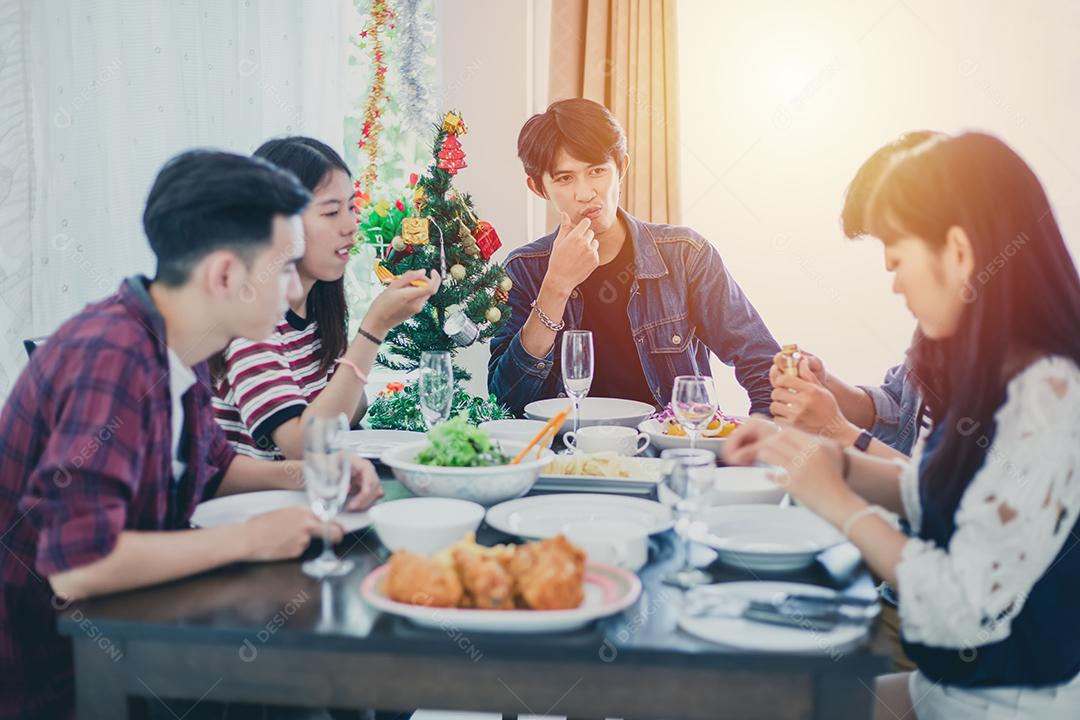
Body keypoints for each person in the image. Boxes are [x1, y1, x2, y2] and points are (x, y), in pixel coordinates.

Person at [0, 150, 383, 719]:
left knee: (348, 685)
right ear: (225, 274)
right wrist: (252, 539)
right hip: (69, 676)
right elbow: (81, 565)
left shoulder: (179, 343)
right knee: (322, 693)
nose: (294, 289)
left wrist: (311, 471)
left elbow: (214, 467)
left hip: (143, 632)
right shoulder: (113, 356)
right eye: (282, 268)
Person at [725, 133, 1080, 719]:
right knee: (764, 700)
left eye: (897, 259)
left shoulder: (1050, 395)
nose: (893, 284)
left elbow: (963, 605)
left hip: (1008, 703)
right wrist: (819, 457)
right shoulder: (995, 364)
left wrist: (838, 501)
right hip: (944, 691)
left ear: (960, 253)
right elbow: (930, 488)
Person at [488, 98, 778, 416]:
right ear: (538, 187)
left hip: (670, 453)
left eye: (597, 171)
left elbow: (764, 365)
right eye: (565, 178)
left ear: (622, 167)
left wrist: (760, 434)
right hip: (564, 458)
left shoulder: (686, 255)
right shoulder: (523, 269)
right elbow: (506, 400)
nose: (585, 193)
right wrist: (556, 286)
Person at [212, 136, 439, 460]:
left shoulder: (316, 305)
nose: (351, 226)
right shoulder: (250, 324)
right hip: (258, 505)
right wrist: (374, 327)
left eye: (351, 207)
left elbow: (349, 413)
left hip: (311, 495)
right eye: (331, 212)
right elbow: (304, 446)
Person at [768, 131, 946, 462]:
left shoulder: (1026, 371)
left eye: (896, 241)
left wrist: (837, 430)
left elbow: (946, 499)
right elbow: (898, 412)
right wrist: (825, 386)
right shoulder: (935, 326)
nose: (889, 265)